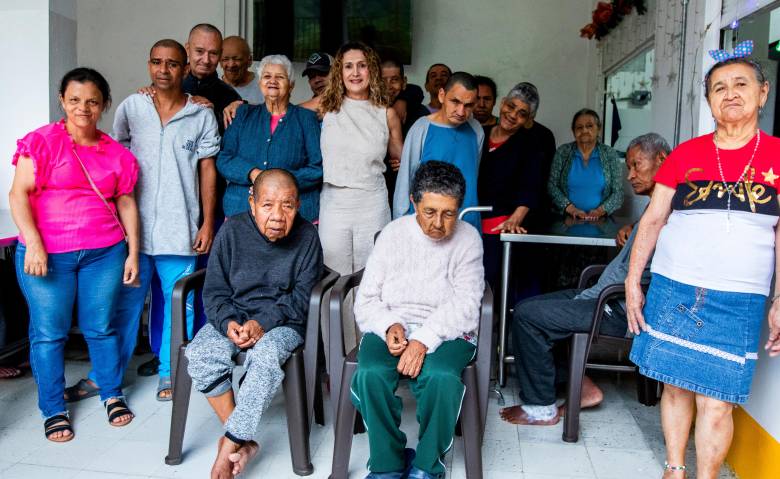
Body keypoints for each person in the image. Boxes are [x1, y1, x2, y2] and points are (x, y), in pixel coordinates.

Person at [626, 55, 780, 478]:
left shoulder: (777, 156)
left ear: (762, 93)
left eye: (741, 84)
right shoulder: (685, 155)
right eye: (719, 88)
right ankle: (675, 468)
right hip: (676, 286)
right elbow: (653, 220)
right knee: (675, 384)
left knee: (718, 399)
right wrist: (633, 280)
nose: (730, 94)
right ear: (709, 100)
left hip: (740, 297)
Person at [67, 39, 220, 402]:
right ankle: (106, 376)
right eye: (156, 62)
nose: (163, 70)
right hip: (131, 231)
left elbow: (207, 172)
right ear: (149, 65)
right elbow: (111, 158)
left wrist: (207, 223)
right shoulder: (131, 107)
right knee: (125, 306)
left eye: (172, 63)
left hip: (180, 229)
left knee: (179, 305)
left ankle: (171, 371)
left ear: (185, 69)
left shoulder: (201, 115)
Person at [499, 133, 669, 426]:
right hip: (601, 295)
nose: (630, 175)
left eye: (636, 165)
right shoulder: (655, 208)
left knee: (528, 317)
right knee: (529, 307)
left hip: (616, 307)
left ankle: (541, 408)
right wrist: (631, 226)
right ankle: (583, 387)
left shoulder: (670, 211)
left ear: (662, 160)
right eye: (629, 167)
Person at [9, 67, 139, 441]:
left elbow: (126, 202)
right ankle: (53, 409)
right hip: (47, 255)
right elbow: (18, 195)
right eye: (75, 100)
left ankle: (111, 393)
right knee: (49, 334)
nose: (83, 108)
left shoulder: (116, 153)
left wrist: (133, 251)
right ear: (62, 101)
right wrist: (34, 243)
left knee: (101, 327)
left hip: (104, 254)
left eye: (92, 101)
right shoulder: (41, 142)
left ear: (104, 105)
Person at [186, 169, 323, 479]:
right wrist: (228, 323)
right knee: (200, 353)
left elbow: (302, 299)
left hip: (285, 322)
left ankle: (229, 444)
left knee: (266, 355)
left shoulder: (307, 237)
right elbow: (214, 291)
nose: (277, 216)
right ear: (252, 203)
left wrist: (262, 323)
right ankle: (243, 440)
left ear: (298, 206)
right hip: (235, 316)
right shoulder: (231, 231)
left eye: (287, 205)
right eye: (267, 205)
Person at [352, 161, 484, 479]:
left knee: (441, 377)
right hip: (393, 323)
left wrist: (424, 339)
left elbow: (467, 304)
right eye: (430, 212)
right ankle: (387, 464)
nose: (438, 223)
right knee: (370, 374)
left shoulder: (468, 239)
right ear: (413, 202)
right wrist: (389, 325)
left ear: (459, 208)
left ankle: (427, 466)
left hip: (449, 329)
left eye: (449, 213)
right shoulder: (392, 235)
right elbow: (366, 300)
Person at [318, 41, 403, 352]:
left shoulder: (387, 113)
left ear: (372, 70)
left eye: (362, 65)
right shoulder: (325, 107)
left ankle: (371, 353)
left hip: (372, 201)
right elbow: (280, 110)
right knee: (333, 278)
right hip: (334, 201)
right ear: (339, 72)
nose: (355, 72)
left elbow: (402, 159)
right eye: (348, 66)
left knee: (373, 277)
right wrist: (237, 106)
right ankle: (337, 357)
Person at [217, 54, 322, 222]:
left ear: (291, 85)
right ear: (260, 83)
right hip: (242, 211)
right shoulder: (242, 114)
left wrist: (281, 181)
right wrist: (253, 174)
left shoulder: (306, 118)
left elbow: (317, 167)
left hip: (295, 215)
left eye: (280, 77)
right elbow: (224, 158)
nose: (272, 81)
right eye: (267, 76)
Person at [393, 72, 484, 230]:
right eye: (455, 101)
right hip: (428, 223)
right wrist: (400, 225)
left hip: (466, 220)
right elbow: (405, 180)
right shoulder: (422, 127)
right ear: (442, 95)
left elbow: (473, 175)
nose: (461, 112)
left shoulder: (476, 130)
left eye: (468, 105)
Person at [477, 85, 546, 291]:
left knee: (491, 287)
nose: (513, 115)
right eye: (511, 106)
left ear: (529, 120)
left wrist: (515, 219)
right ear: (502, 104)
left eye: (522, 113)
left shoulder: (531, 145)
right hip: (471, 220)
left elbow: (532, 185)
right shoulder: (480, 134)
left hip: (500, 226)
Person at [548, 108, 623, 220]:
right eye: (579, 127)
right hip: (566, 219)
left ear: (599, 129)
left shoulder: (610, 154)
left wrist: (600, 210)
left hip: (600, 220)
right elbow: (552, 186)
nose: (584, 130)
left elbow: (618, 193)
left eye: (589, 126)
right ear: (573, 131)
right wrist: (571, 209)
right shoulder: (563, 152)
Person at [380, 57, 427, 202]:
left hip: (410, 190)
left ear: (404, 82)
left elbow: (430, 150)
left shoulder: (420, 114)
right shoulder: (368, 109)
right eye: (383, 80)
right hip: (377, 191)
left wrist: (411, 161)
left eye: (394, 80)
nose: (388, 86)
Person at [220, 35, 263, 105]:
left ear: (249, 61)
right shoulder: (214, 87)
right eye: (225, 59)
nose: (231, 65)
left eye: (237, 59)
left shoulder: (264, 85)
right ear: (220, 62)